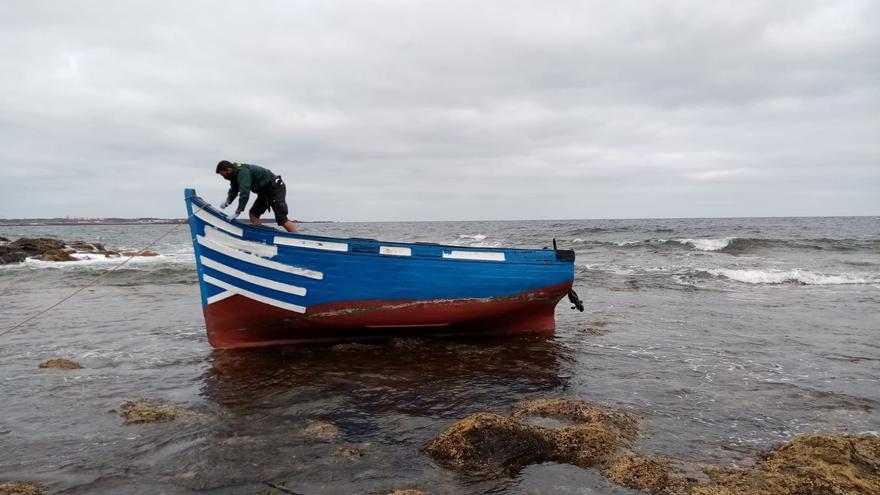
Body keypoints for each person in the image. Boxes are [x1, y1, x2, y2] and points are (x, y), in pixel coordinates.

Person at [216, 160, 298, 233]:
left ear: (229, 170)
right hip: (264, 192)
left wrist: (238, 212)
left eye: (223, 175)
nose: (224, 178)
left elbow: (244, 192)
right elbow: (234, 189)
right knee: (253, 214)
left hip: (275, 188)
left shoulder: (243, 172)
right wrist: (227, 201)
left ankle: (298, 240)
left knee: (281, 218)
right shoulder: (234, 175)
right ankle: (260, 236)